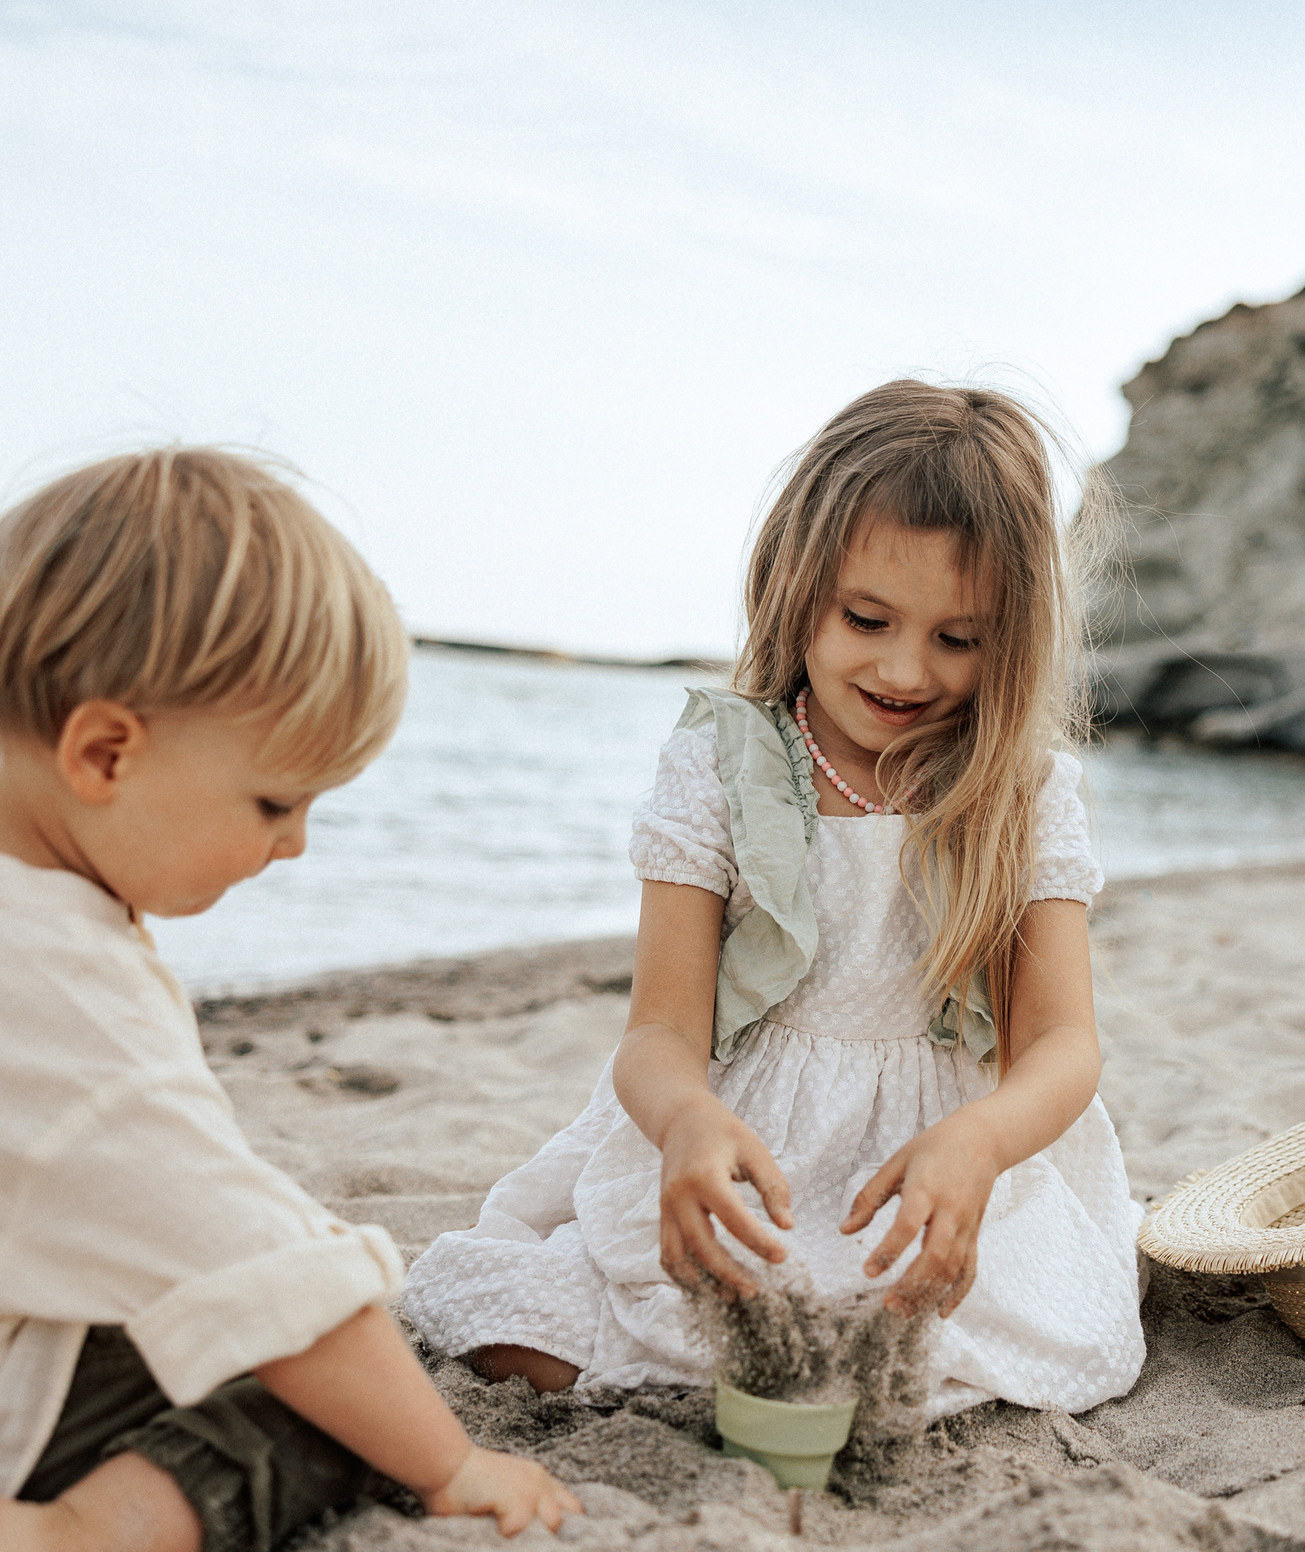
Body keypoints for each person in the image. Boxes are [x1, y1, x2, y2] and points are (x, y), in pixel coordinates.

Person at [0, 448, 580, 1552]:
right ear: (105, 753)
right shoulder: (57, 993)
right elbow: (290, 1296)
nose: (295, 846)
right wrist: (454, 1469)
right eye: (274, 800)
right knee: (336, 1401)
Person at [402, 380, 1145, 1418]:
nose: (902, 667)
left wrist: (979, 1143)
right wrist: (685, 1124)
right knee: (521, 1325)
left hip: (938, 1161)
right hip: (752, 1149)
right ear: (796, 584)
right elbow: (657, 1034)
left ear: (1012, 637)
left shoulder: (1019, 793)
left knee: (965, 1355)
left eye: (958, 638)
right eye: (867, 617)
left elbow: (1063, 1045)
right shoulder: (721, 762)